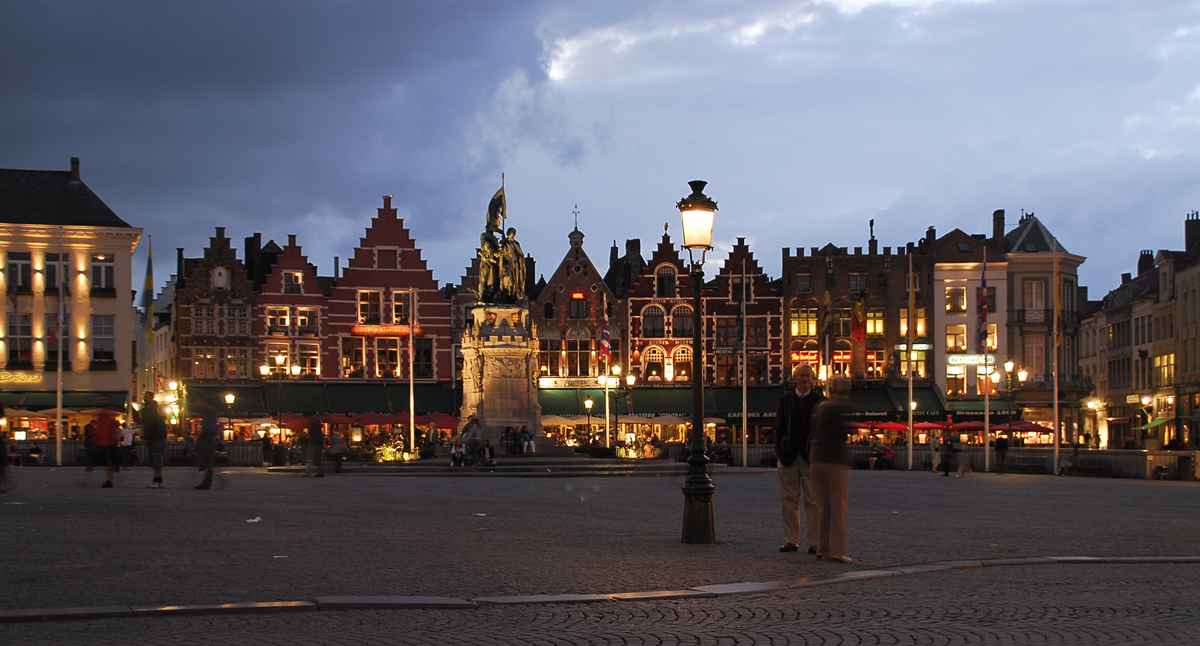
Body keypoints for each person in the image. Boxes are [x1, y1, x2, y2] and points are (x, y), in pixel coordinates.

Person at [774, 364, 825, 554]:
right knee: (789, 500)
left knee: (813, 501)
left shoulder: (820, 401)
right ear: (794, 378)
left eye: (807, 375)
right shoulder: (785, 400)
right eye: (800, 375)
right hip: (788, 457)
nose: (804, 379)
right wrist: (779, 450)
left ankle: (815, 542)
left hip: (811, 457)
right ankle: (791, 540)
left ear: (812, 379)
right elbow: (778, 427)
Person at [809, 376, 853, 564]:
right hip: (834, 459)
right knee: (838, 506)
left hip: (816, 458)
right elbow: (842, 432)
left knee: (823, 506)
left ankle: (822, 548)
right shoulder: (840, 408)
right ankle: (836, 551)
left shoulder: (820, 407)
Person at [140, 392, 167, 488]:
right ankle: (159, 480)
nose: (143, 398)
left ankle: (156, 481)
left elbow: (149, 424)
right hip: (159, 436)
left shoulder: (148, 410)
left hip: (155, 437)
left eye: (145, 396)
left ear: (150, 397)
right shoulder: (157, 409)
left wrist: (146, 436)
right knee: (157, 459)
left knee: (155, 459)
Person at [92, 410, 121, 488]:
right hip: (111, 444)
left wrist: (96, 442)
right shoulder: (112, 422)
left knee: (107, 463)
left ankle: (109, 479)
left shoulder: (100, 422)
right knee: (110, 463)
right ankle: (110, 479)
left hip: (103, 445)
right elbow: (116, 433)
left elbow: (97, 433)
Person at [194, 406, 220, 490]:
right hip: (210, 443)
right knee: (209, 463)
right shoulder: (214, 421)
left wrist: (200, 437)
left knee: (206, 463)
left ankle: (205, 483)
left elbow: (205, 432)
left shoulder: (207, 421)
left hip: (206, 443)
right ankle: (206, 482)